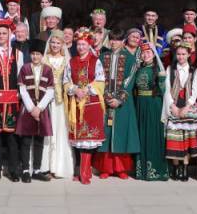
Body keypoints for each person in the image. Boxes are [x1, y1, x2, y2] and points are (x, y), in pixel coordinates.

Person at [96, 31, 140, 179]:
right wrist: (107, 97)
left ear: (123, 41)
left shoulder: (130, 59)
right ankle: (106, 168)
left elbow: (129, 80)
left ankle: (121, 168)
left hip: (123, 103)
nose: (114, 43)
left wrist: (119, 99)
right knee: (106, 133)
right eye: (112, 40)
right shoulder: (102, 57)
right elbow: (99, 78)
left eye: (117, 40)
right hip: (106, 101)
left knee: (121, 133)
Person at [64, 30, 106, 184]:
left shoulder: (96, 61)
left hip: (91, 103)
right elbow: (66, 81)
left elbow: (100, 80)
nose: (81, 47)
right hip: (76, 103)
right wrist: (75, 90)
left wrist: (85, 90)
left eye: (84, 44)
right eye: (79, 44)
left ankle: (85, 172)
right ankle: (80, 171)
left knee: (89, 139)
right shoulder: (71, 61)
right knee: (77, 139)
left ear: (89, 46)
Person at [0, 18, 24, 182]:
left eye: (4, 33)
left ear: (10, 34)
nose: (1, 36)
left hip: (13, 102)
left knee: (12, 138)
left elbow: (20, 79)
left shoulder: (18, 53)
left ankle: (13, 170)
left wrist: (22, 101)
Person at [162, 40, 197, 181]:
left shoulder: (194, 70)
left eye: (184, 54)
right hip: (174, 105)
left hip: (187, 107)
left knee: (186, 139)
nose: (181, 57)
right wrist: (172, 105)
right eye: (178, 54)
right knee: (175, 139)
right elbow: (166, 89)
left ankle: (184, 167)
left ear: (189, 54)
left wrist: (187, 106)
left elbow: (196, 89)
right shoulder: (170, 70)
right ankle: (176, 166)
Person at [17, 39, 55, 182]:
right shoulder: (25, 68)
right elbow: (22, 90)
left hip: (42, 110)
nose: (35, 57)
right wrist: (31, 108)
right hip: (28, 109)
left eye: (38, 54)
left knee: (39, 140)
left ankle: (37, 170)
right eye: (33, 54)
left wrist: (39, 108)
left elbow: (50, 91)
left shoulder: (48, 70)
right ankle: (26, 170)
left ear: (42, 55)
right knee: (26, 141)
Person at [39, 31, 74, 179]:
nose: (55, 45)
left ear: (62, 45)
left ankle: (59, 166)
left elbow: (70, 80)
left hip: (61, 102)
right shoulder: (44, 59)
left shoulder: (67, 60)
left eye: (58, 43)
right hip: (47, 101)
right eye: (52, 42)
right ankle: (46, 166)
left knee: (61, 131)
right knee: (48, 132)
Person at [133, 40, 169, 181]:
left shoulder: (158, 70)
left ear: (154, 55)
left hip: (154, 105)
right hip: (140, 105)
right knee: (142, 135)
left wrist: (161, 77)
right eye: (143, 52)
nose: (146, 55)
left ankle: (156, 170)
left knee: (153, 135)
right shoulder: (138, 68)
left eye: (149, 52)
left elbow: (163, 89)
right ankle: (141, 170)